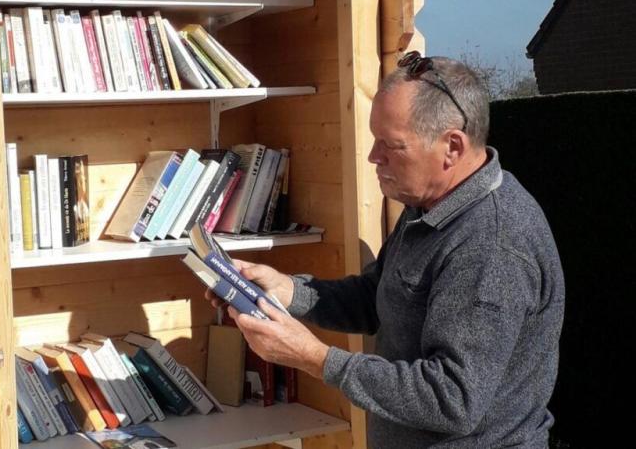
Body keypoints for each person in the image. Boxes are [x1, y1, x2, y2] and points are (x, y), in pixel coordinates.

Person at [207, 52, 565, 448]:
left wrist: (315, 358)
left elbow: (454, 399)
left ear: (452, 147)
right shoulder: (428, 206)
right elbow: (379, 297)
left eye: (391, 145)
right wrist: (289, 291)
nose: (373, 157)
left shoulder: (492, 245)